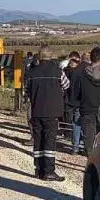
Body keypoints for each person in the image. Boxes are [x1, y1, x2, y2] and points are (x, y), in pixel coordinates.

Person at [26, 47, 66, 181]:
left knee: (38, 141)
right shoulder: (58, 72)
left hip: (37, 110)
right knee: (49, 141)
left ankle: (38, 170)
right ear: (50, 56)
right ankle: (49, 171)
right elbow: (66, 85)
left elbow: (27, 91)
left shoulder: (31, 72)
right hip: (52, 111)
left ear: (40, 56)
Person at [69, 46, 100, 157]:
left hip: (87, 111)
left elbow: (75, 94)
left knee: (88, 141)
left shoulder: (82, 74)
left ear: (91, 58)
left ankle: (90, 161)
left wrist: (77, 104)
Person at [61, 52, 83, 153]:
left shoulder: (66, 71)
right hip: (78, 101)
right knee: (76, 123)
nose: (71, 62)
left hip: (69, 100)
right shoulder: (83, 72)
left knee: (70, 122)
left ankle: (72, 141)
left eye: (71, 61)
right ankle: (76, 145)